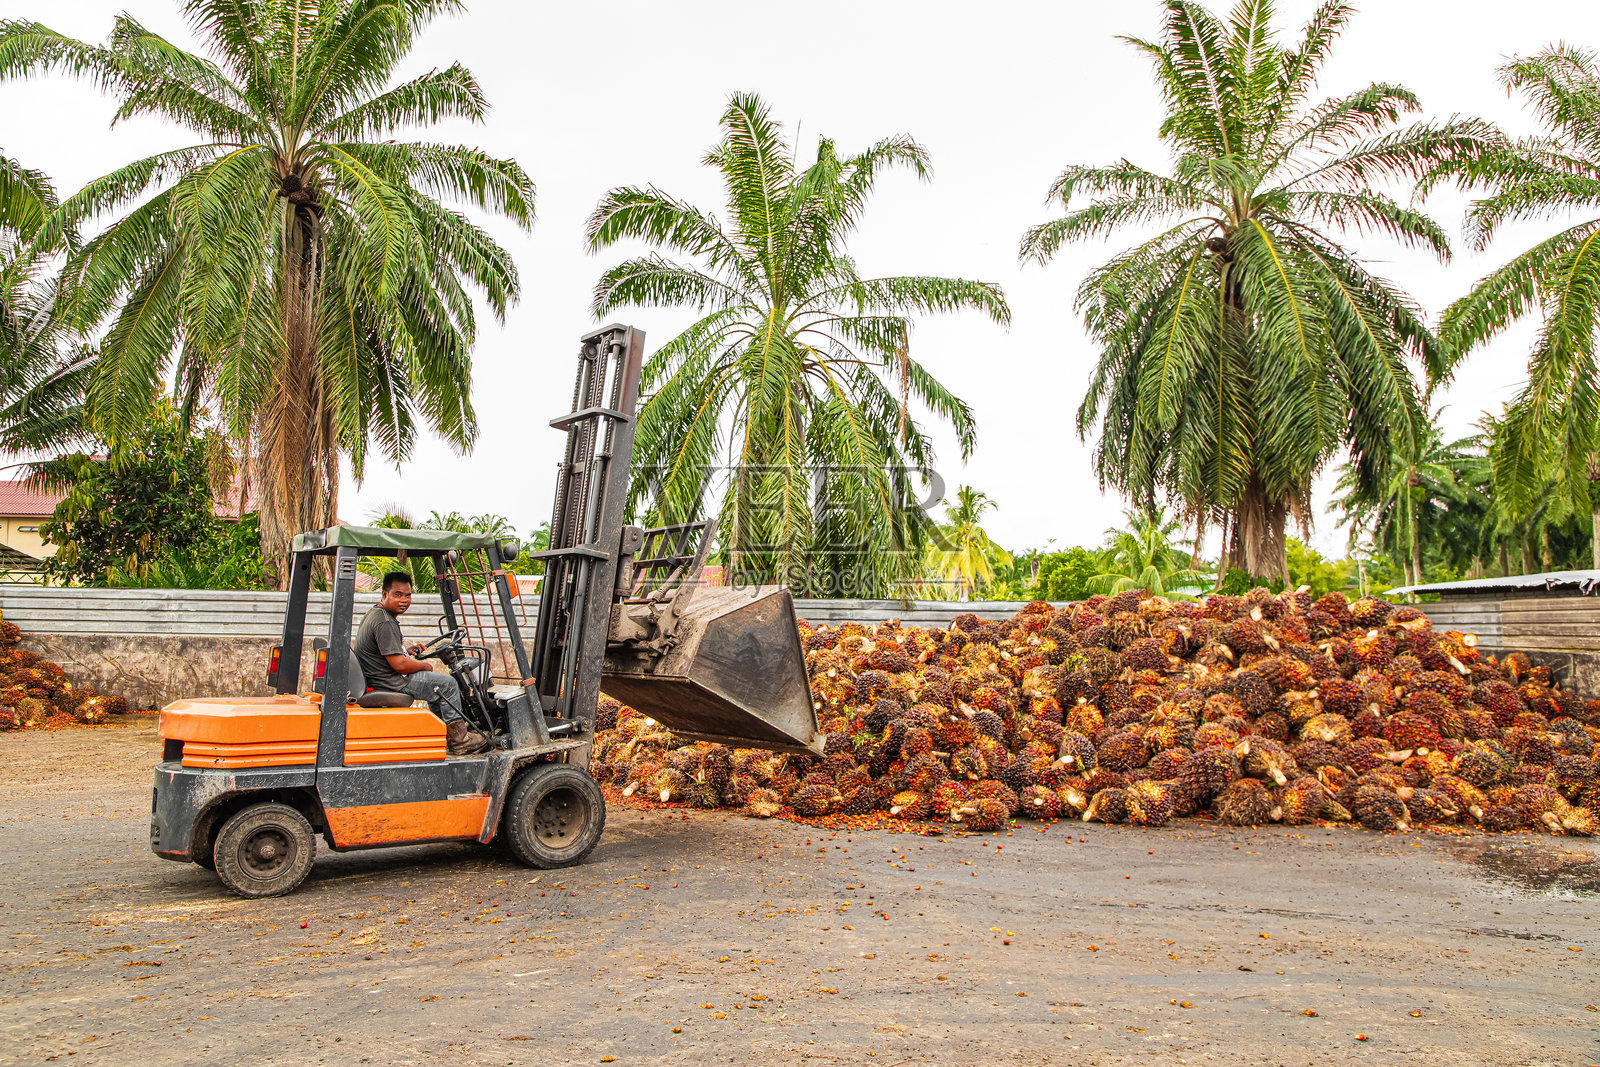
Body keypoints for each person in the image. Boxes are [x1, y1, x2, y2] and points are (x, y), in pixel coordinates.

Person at [354, 571, 491, 756]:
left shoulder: (376, 614)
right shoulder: (384, 622)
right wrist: (424, 666)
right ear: (385, 594)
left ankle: (440, 735)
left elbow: (389, 654)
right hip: (391, 681)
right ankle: (460, 741)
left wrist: (407, 651)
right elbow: (400, 665)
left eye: (408, 595)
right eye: (398, 595)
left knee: (436, 690)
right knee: (448, 684)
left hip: (381, 676)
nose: (404, 600)